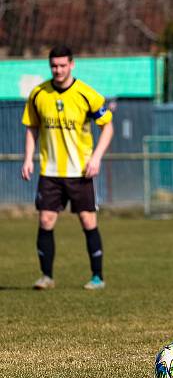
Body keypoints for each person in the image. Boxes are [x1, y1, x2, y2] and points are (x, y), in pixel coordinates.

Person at [21, 45, 114, 290]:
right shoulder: (39, 94)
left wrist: (96, 158)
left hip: (80, 171)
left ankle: (97, 277)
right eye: (54, 66)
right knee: (46, 220)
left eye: (62, 65)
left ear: (72, 65)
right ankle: (46, 277)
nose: (58, 70)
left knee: (87, 221)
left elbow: (108, 127)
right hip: (50, 172)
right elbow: (31, 126)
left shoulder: (86, 94)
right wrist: (28, 158)